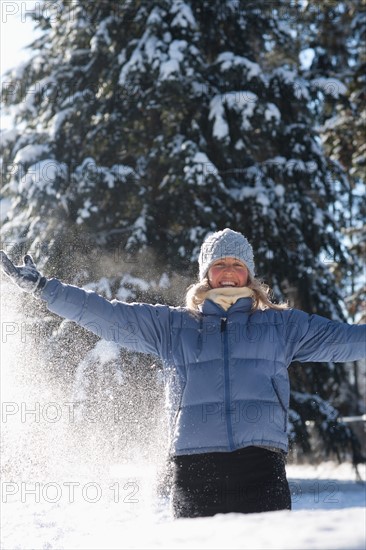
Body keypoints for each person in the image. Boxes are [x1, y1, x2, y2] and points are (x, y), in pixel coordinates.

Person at [1, 228, 365, 518]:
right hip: (195, 472)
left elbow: (348, 340)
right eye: (219, 264)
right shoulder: (174, 326)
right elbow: (108, 315)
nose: (228, 272)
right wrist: (45, 289)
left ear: (249, 274)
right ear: (206, 274)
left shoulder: (282, 326)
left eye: (237, 264)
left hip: (262, 469)